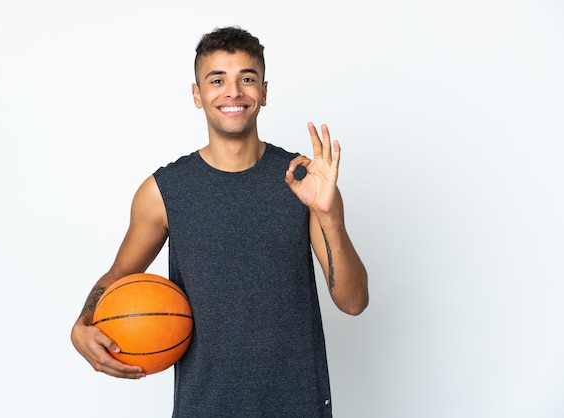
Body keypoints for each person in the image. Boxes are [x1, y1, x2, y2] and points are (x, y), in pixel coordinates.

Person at [71, 26, 368, 417]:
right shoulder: (163, 191)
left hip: (298, 405)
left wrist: (329, 215)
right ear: (197, 94)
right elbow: (121, 274)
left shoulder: (305, 181)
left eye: (247, 78)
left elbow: (353, 302)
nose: (233, 92)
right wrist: (81, 325)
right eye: (217, 80)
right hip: (204, 406)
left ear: (264, 91)